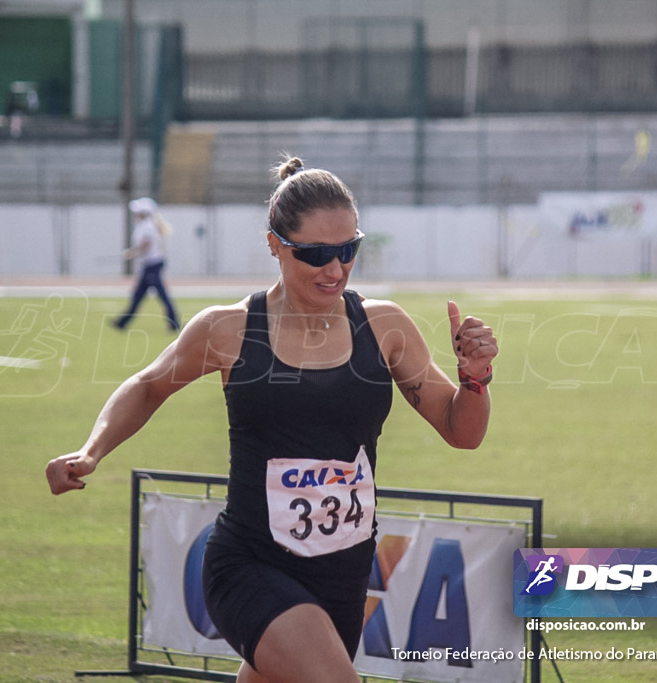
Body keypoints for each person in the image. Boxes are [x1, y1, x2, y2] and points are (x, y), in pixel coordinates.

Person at [46, 157, 498, 683]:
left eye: (348, 249)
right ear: (275, 245)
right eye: (316, 254)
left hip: (344, 570)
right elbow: (148, 386)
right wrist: (91, 450)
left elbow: (463, 432)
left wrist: (476, 377)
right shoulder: (228, 329)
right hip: (250, 563)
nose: (335, 268)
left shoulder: (386, 327)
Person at [113, 196, 180, 332]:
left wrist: (131, 253)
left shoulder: (148, 226)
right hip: (149, 265)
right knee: (138, 296)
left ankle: (174, 322)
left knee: (161, 295)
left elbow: (145, 245)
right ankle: (122, 323)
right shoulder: (147, 225)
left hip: (152, 265)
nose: (135, 214)